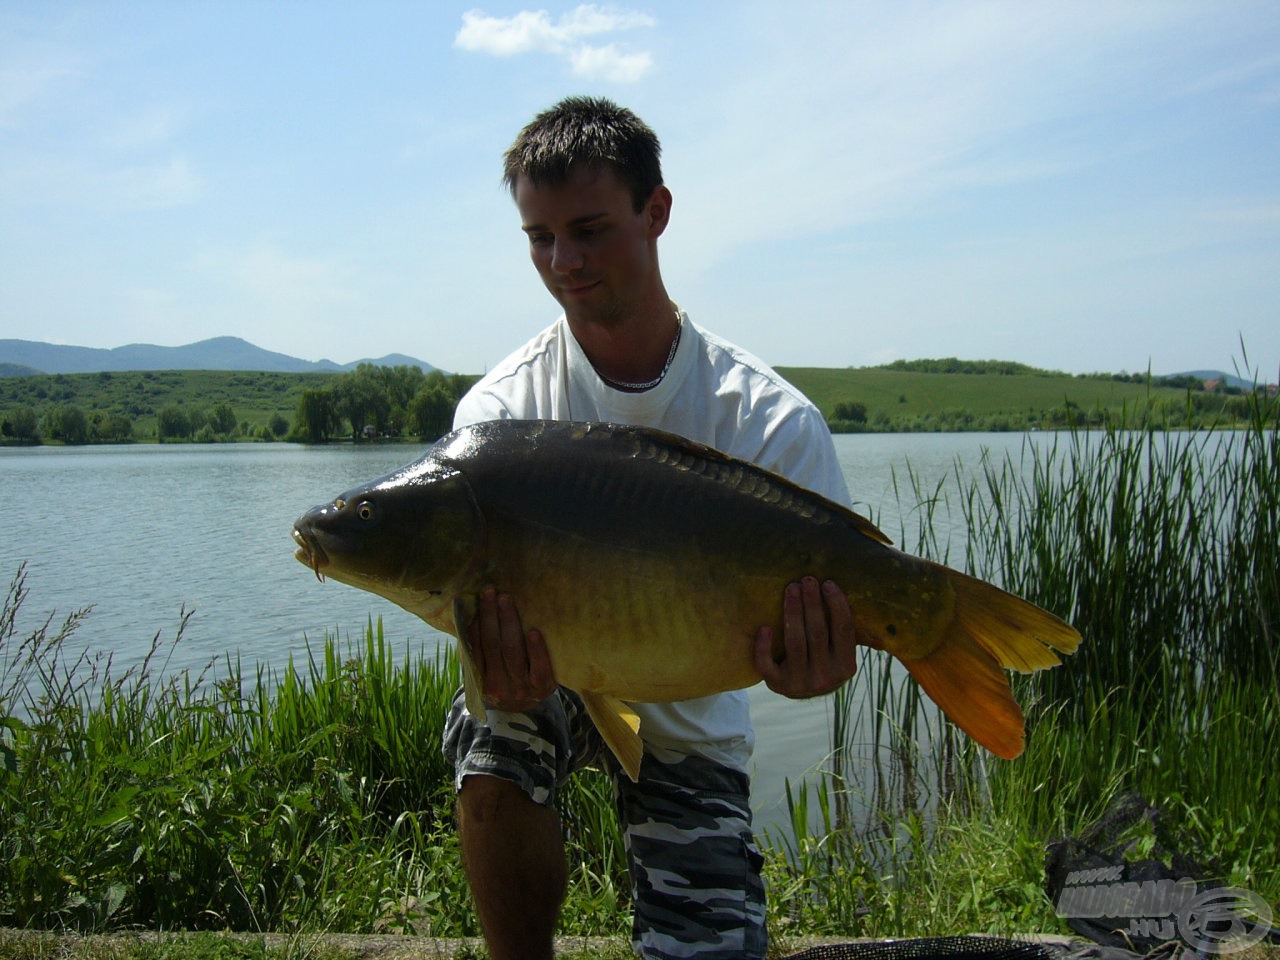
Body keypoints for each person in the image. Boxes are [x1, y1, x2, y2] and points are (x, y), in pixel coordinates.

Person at [442, 96, 861, 960]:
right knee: (492, 736)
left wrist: (812, 670)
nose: (564, 261)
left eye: (589, 229)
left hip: (689, 709)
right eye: (539, 237)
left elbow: (815, 660)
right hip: (550, 680)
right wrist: (502, 669)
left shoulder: (770, 422)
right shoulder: (500, 417)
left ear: (656, 212)